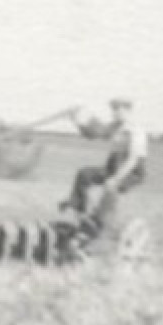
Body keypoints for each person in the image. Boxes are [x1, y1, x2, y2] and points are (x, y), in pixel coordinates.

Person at [64, 97, 148, 231]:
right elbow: (92, 134)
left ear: (128, 111)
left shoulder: (136, 130)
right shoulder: (115, 127)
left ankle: (101, 224)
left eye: (118, 110)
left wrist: (115, 178)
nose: (114, 113)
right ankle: (81, 214)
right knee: (84, 174)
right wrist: (76, 119)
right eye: (113, 109)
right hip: (113, 166)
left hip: (132, 171)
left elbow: (133, 159)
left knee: (111, 187)